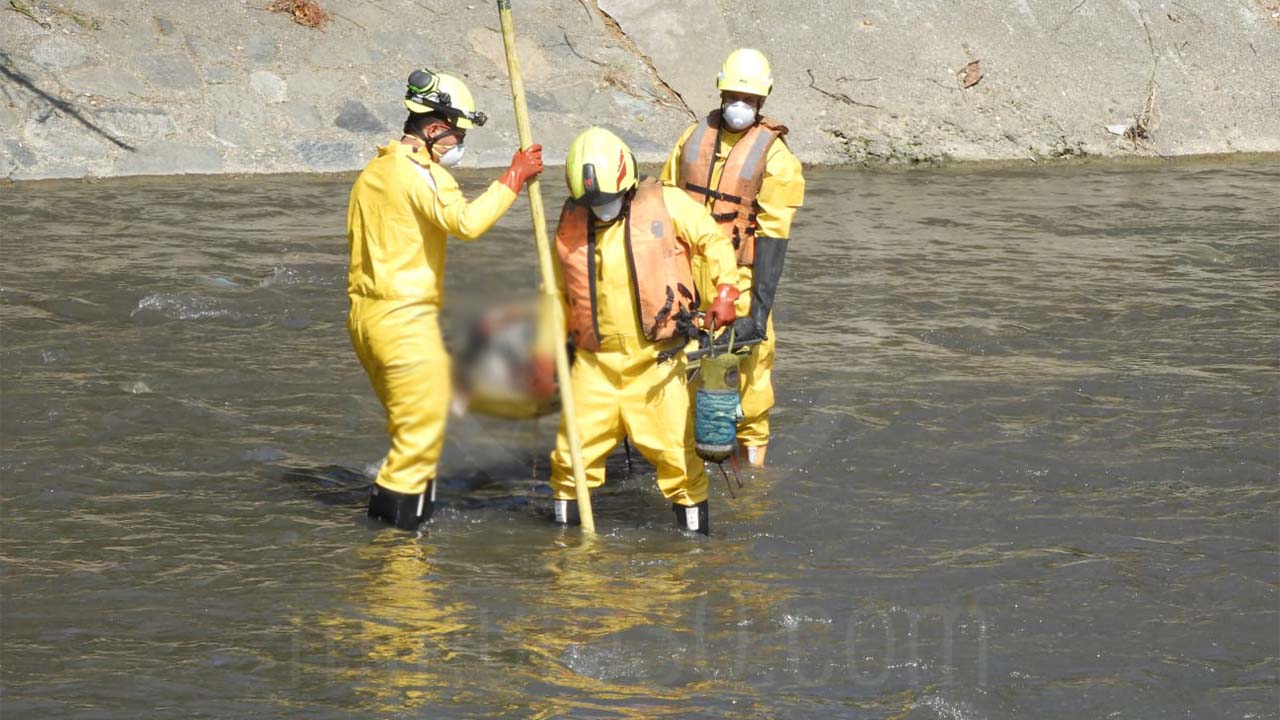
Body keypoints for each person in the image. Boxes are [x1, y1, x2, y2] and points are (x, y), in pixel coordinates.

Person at [347, 68, 544, 530]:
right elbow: (466, 223)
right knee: (418, 442)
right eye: (456, 135)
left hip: (365, 321)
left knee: (411, 436)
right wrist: (513, 177)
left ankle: (390, 542)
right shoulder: (420, 174)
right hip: (404, 324)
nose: (458, 144)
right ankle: (399, 562)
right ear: (433, 130)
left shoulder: (374, 171)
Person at [548, 127, 739, 535]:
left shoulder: (666, 203)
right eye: (592, 202)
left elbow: (713, 241)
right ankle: (565, 559)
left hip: (656, 362)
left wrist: (725, 290)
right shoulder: (571, 220)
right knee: (569, 460)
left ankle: (693, 552)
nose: (599, 208)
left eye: (606, 199)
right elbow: (558, 290)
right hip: (593, 366)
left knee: (677, 459)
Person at [660, 48, 805, 468]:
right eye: (734, 94)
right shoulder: (693, 138)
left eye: (750, 98)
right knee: (680, 361)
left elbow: (775, 234)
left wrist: (759, 312)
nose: (740, 104)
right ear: (721, 91)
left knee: (752, 369)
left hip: (739, 278)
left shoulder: (776, 158)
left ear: (762, 102)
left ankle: (752, 459)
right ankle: (683, 452)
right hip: (685, 271)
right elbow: (664, 200)